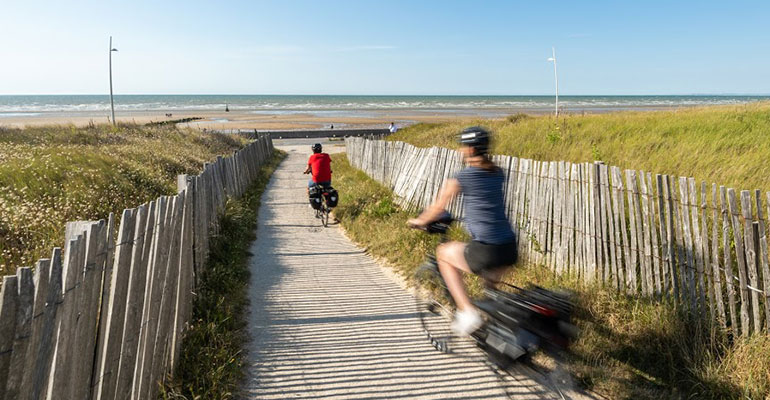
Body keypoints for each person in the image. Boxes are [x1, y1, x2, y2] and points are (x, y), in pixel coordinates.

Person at [408, 126, 517, 336]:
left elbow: (437, 208)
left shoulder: (463, 177)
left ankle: (467, 313)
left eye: (463, 147)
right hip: (509, 248)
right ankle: (495, 321)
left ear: (470, 149)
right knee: (490, 291)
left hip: (487, 250)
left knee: (443, 255)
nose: (460, 150)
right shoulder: (498, 173)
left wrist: (418, 221)